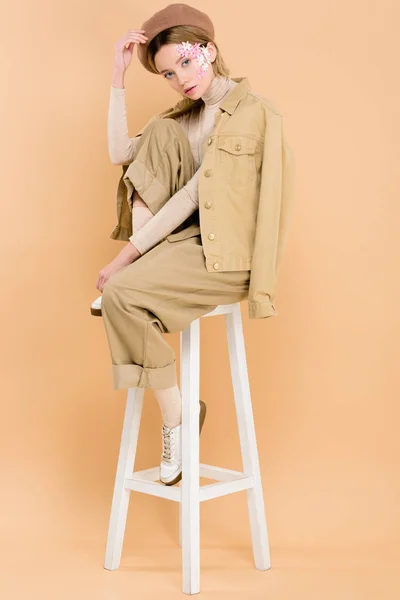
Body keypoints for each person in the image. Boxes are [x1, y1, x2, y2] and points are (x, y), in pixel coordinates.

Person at [91, 3, 295, 486]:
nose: (180, 78)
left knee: (121, 294)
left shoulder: (256, 114)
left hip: (225, 255)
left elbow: (198, 196)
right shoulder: (180, 121)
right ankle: (182, 414)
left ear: (209, 51)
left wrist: (123, 258)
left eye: (185, 62)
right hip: (183, 247)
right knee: (158, 131)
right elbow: (120, 153)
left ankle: (172, 422)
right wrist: (117, 79)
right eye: (166, 73)